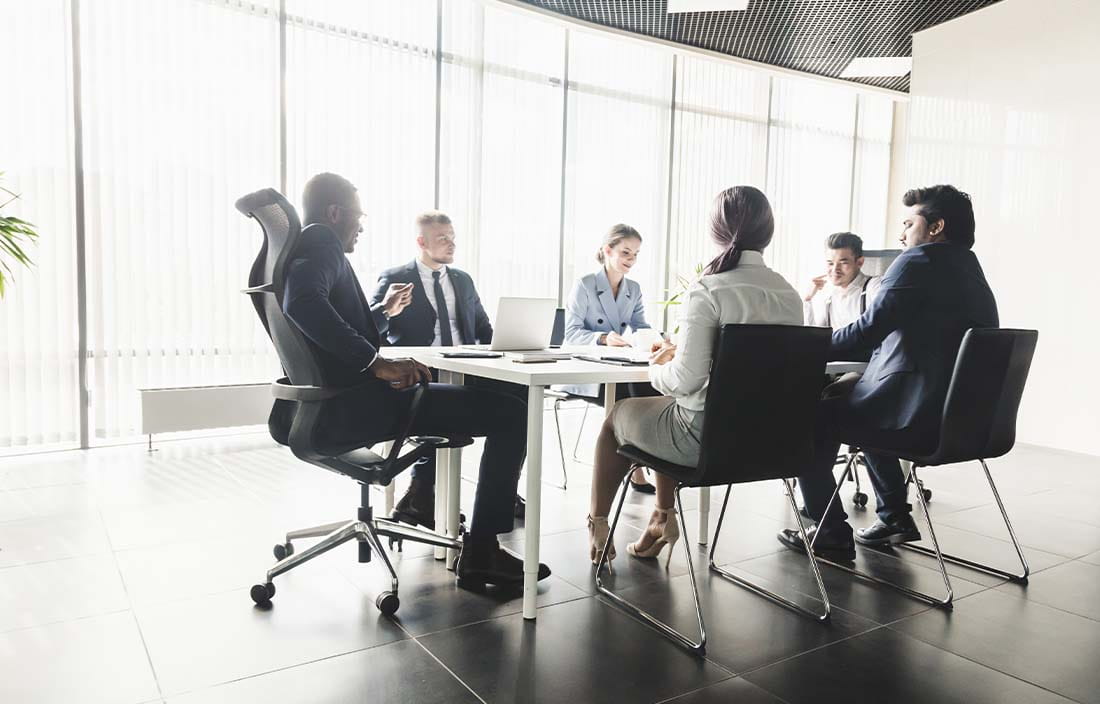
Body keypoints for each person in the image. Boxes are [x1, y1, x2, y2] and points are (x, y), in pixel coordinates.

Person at [278, 173, 549, 587]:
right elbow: (302, 304)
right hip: (354, 405)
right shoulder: (322, 242)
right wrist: (375, 363)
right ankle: (481, 552)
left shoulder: (306, 246)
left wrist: (383, 313)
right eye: (358, 214)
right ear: (335, 213)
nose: (362, 224)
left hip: (328, 403)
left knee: (503, 398)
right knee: (514, 415)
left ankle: (433, 505)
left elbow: (330, 320)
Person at [779, 185, 998, 560]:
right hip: (965, 421)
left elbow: (868, 328)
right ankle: (894, 516)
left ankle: (828, 529)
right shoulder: (970, 269)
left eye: (908, 223)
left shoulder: (918, 261)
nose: (901, 234)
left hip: (917, 415)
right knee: (858, 406)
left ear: (935, 227)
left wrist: (806, 344)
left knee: (808, 418)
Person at [586, 187, 803, 564]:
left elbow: (685, 381)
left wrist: (658, 367)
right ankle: (660, 518)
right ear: (767, 233)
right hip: (771, 442)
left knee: (618, 416)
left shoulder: (710, 288)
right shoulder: (789, 293)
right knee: (666, 408)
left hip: (705, 441)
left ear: (717, 231)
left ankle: (598, 527)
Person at [368, 211, 526, 527]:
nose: (451, 243)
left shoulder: (462, 280)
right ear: (421, 242)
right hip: (420, 372)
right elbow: (368, 329)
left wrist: (511, 349)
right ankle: (422, 492)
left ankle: (496, 491)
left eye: (452, 236)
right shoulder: (396, 276)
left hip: (466, 367)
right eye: (443, 237)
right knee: (460, 406)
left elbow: (482, 327)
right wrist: (387, 309)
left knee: (521, 397)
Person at [563, 224, 660, 494]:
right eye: (625, 252)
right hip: (587, 367)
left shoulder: (634, 288)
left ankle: (644, 460)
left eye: (636, 254)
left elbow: (641, 326)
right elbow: (570, 333)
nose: (631, 260)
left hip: (617, 364)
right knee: (630, 394)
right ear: (607, 250)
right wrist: (603, 337)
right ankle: (637, 469)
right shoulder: (585, 284)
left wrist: (656, 340)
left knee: (649, 388)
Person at [802, 232, 882, 332]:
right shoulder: (828, 297)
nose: (835, 269)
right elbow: (814, 338)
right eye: (830, 263)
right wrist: (808, 299)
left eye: (843, 262)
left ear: (860, 262)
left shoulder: (873, 286)